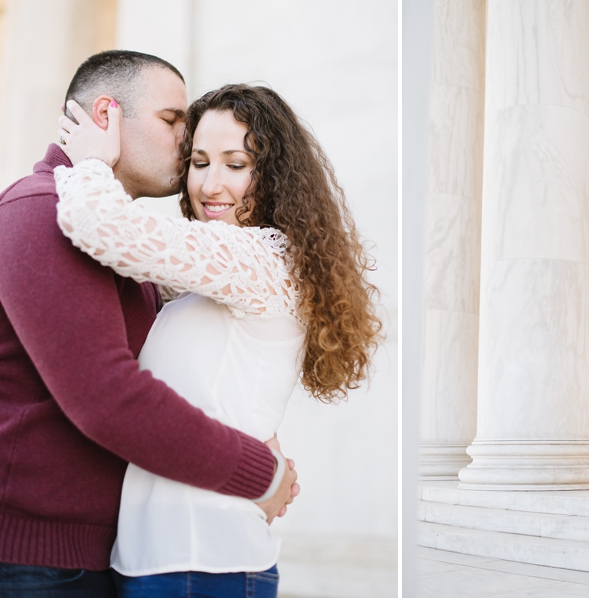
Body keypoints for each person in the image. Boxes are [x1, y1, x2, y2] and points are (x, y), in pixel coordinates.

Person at [54, 81, 380, 597]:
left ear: (271, 175)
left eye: (235, 164)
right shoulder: (214, 275)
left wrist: (90, 161)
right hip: (164, 560)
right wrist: (269, 462)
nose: (210, 185)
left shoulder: (261, 257)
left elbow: (103, 227)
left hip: (200, 563)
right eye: (199, 162)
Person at [0, 51, 296, 598]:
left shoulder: (126, 246)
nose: (186, 142)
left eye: (234, 163)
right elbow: (107, 395)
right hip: (36, 563)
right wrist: (262, 471)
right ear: (106, 116)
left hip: (108, 556)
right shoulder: (41, 212)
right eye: (172, 121)